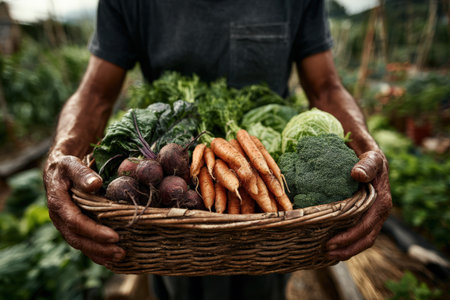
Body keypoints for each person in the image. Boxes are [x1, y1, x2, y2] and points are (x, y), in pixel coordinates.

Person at [43, 0, 392, 299]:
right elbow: (96, 94)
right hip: (168, 213)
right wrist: (62, 153)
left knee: (264, 289)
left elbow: (327, 86)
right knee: (175, 289)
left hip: (268, 225)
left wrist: (366, 147)